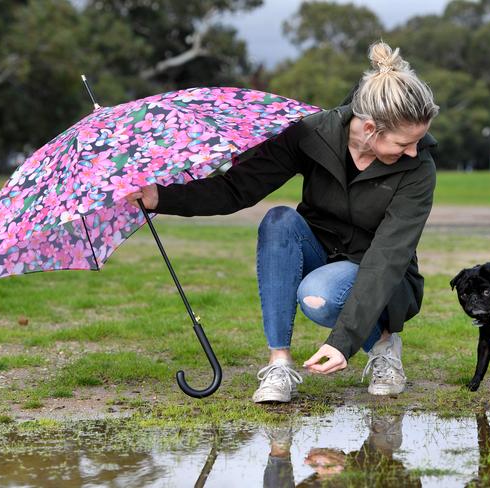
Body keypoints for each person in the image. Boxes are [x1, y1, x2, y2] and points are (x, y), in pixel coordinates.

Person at [126, 41, 439, 403]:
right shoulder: (310, 134)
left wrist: (342, 342)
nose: (414, 151)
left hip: (384, 275)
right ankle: (279, 364)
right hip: (321, 253)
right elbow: (236, 189)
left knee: (318, 295)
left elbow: (388, 257)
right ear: (370, 128)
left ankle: (384, 345)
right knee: (278, 220)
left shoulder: (418, 169)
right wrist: (161, 197)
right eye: (404, 143)